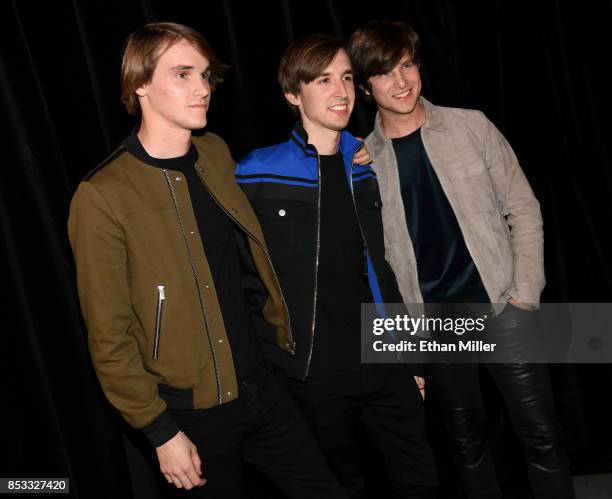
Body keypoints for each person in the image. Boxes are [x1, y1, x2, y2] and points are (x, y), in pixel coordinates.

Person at [68, 21, 348, 499]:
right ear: (140, 84)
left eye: (205, 75)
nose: (202, 89)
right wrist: (160, 432)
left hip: (260, 386)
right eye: (182, 74)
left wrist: (352, 152)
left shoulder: (214, 154)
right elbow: (109, 336)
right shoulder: (102, 195)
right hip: (190, 415)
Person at [347, 20, 575, 499]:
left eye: (407, 65)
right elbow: (372, 265)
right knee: (466, 444)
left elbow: (524, 208)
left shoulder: (471, 125)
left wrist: (525, 297)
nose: (402, 81)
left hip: (502, 307)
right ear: (366, 86)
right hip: (434, 326)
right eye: (386, 73)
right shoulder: (363, 161)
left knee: (543, 436)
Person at [235, 34, 437, 499]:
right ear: (293, 93)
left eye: (346, 77)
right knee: (339, 486)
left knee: (421, 479)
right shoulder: (255, 173)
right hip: (312, 371)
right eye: (323, 79)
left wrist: (409, 356)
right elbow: (243, 279)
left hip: (382, 354)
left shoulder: (364, 164)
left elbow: (381, 267)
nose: (341, 91)